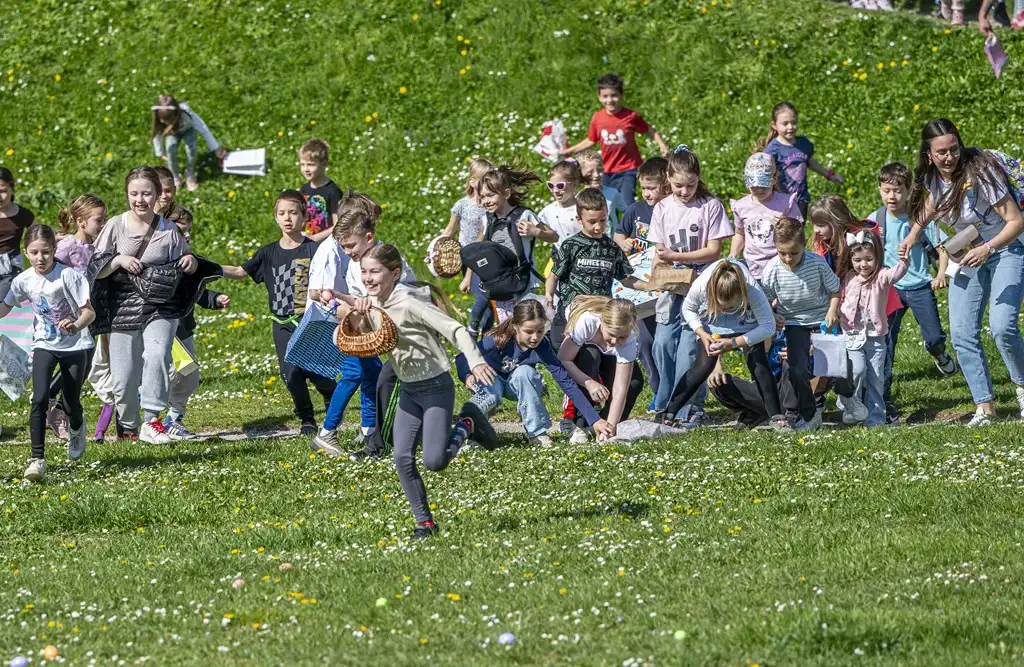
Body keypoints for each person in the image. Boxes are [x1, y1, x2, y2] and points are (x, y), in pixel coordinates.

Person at [348, 243, 495, 538]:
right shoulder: (374, 304)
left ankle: (467, 423)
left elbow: (455, 329)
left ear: (395, 273)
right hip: (409, 390)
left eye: (374, 271)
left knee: (434, 461)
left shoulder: (409, 301)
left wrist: (476, 361)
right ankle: (424, 523)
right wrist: (360, 318)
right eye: (364, 271)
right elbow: (372, 339)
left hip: (436, 387)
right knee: (401, 457)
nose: (367, 277)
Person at [901, 118, 1024, 426]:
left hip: (1004, 248)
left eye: (953, 149)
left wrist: (988, 249)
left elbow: (1016, 221)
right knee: (961, 333)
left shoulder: (980, 172)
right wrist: (914, 232)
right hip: (967, 254)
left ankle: (1022, 387)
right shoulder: (931, 177)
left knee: (1002, 326)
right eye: (941, 152)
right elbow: (932, 202)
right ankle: (985, 408)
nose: (949, 156)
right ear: (929, 154)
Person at [91, 167, 199, 444]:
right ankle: (128, 427)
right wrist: (118, 261)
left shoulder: (170, 229)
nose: (140, 200)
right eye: (134, 194)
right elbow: (94, 268)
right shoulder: (115, 225)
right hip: (123, 305)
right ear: (127, 194)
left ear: (157, 195)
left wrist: (191, 262)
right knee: (124, 378)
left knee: (157, 352)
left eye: (146, 193)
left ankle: (152, 420)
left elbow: (186, 261)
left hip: (160, 304)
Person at [220, 190, 334, 435]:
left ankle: (329, 391)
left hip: (309, 321)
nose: (287, 218)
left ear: (304, 217)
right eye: (282, 213)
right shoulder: (268, 252)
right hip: (282, 322)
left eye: (293, 213)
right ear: (275, 218)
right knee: (290, 372)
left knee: (313, 368)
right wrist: (204, 266)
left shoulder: (313, 250)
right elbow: (240, 271)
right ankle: (306, 418)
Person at [311, 191, 415, 459]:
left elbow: (405, 289)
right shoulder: (355, 263)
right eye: (344, 247)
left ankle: (371, 430)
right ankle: (329, 432)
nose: (347, 253)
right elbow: (349, 297)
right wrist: (344, 304)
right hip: (357, 330)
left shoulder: (385, 258)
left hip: (380, 328)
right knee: (358, 374)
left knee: (372, 374)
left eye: (350, 247)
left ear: (368, 238)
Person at [0, 224, 95, 483]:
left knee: (70, 403)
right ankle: (37, 459)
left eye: (45, 252)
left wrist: (75, 325)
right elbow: (6, 306)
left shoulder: (69, 276)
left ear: (54, 250)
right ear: (26, 252)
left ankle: (76, 424)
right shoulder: (23, 280)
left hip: (76, 346)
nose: (40, 258)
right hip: (44, 344)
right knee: (39, 398)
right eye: (34, 252)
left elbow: (89, 311)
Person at [452, 298, 611, 448]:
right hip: (491, 381)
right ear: (515, 326)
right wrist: (467, 375)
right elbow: (461, 357)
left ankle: (537, 433)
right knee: (490, 395)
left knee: (526, 373)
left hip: (517, 385)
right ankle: (472, 434)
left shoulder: (543, 347)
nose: (535, 337)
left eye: (540, 331)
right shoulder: (497, 340)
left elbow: (567, 383)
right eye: (529, 331)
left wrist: (595, 420)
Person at [649, 146, 733, 428]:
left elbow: (713, 250)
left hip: (699, 285)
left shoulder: (710, 206)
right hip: (671, 285)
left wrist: (676, 257)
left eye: (691, 185)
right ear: (668, 179)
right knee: (662, 343)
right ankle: (665, 400)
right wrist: (662, 266)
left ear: (699, 179)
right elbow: (658, 247)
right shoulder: (662, 207)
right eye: (678, 186)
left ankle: (689, 406)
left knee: (688, 347)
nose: (684, 191)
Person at [872, 163, 956, 425]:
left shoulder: (919, 219)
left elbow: (943, 249)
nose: (892, 197)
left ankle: (938, 352)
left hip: (920, 286)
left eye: (897, 190)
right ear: (879, 190)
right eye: (887, 191)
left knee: (933, 336)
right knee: (886, 345)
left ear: (908, 191)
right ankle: (883, 397)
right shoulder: (876, 220)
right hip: (890, 289)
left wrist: (941, 274)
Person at [657, 259, 786, 431]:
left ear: (742, 294)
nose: (725, 309)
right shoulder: (702, 285)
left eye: (729, 306)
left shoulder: (752, 289)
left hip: (746, 321)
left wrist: (734, 342)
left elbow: (768, 326)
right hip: (712, 319)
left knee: (758, 364)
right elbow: (687, 309)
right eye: (721, 305)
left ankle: (776, 416)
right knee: (702, 367)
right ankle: (669, 413)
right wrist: (701, 333)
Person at [760, 216, 841, 430]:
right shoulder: (771, 270)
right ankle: (809, 414)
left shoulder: (817, 263)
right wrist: (772, 314)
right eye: (782, 252)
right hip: (794, 323)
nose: (788, 258)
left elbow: (835, 290)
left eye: (793, 253)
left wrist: (832, 311)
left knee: (834, 367)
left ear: (803, 245)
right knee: (797, 370)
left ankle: (849, 399)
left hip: (822, 320)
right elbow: (765, 301)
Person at [546, 187, 644, 347]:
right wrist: (549, 295)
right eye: (592, 222)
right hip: (575, 309)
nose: (598, 227)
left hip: (603, 311)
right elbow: (554, 275)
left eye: (603, 220)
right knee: (580, 353)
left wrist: (650, 285)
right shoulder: (571, 245)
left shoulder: (612, 247)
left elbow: (626, 279)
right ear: (579, 220)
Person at [162, 205, 230, 439]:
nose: (188, 235)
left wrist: (214, 299)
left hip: (184, 329)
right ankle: (154, 417)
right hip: (162, 328)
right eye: (182, 231)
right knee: (175, 373)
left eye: (189, 230)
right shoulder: (158, 259)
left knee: (189, 376)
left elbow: (195, 291)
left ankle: (172, 419)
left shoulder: (187, 261)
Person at [54, 195, 112, 442]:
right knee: (73, 366)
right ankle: (52, 404)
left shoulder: (96, 248)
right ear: (81, 221)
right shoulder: (67, 246)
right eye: (99, 220)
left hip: (87, 317)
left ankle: (58, 409)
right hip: (67, 318)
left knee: (84, 366)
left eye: (104, 218)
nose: (103, 224)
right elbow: (50, 274)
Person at [562, 73, 669, 204]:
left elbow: (649, 130)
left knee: (626, 203)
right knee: (606, 203)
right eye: (605, 96)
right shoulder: (597, 118)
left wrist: (662, 144)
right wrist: (570, 151)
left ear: (621, 95)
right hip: (606, 170)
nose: (610, 100)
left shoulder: (630, 116)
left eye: (614, 95)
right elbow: (590, 140)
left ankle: (629, 223)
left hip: (628, 169)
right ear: (599, 97)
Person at [614, 156, 670, 407]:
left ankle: (673, 388)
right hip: (641, 287)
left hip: (665, 283)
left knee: (665, 340)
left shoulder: (671, 209)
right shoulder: (636, 210)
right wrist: (623, 241)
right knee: (646, 342)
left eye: (652, 188)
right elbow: (618, 233)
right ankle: (658, 390)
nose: (647, 194)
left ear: (666, 185)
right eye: (644, 188)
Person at [839, 231, 908, 427]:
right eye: (858, 260)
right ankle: (852, 406)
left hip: (876, 336)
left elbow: (896, 274)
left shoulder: (882, 276)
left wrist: (904, 262)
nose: (863, 264)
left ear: (877, 257)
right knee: (857, 372)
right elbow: (840, 298)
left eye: (869, 259)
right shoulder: (848, 277)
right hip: (852, 333)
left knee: (876, 378)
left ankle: (875, 419)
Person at [557, 297, 644, 443]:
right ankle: (580, 423)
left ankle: (603, 426)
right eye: (611, 334)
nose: (615, 341)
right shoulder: (587, 321)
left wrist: (610, 426)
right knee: (589, 357)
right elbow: (564, 359)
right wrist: (589, 383)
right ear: (602, 322)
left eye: (621, 337)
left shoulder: (629, 339)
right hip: (573, 348)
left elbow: (620, 389)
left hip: (604, 352)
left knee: (634, 382)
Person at [478, 164, 556, 322]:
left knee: (526, 324)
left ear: (506, 193)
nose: (486, 201)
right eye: (482, 196)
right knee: (508, 328)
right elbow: (479, 247)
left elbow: (553, 236)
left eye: (490, 195)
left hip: (524, 282)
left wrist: (535, 232)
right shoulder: (487, 219)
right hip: (500, 284)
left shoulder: (524, 214)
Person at [756, 102, 844, 217]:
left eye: (794, 122)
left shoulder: (803, 144)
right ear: (774, 125)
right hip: (780, 202)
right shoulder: (772, 150)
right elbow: (764, 175)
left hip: (801, 200)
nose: (790, 127)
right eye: (785, 123)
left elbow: (810, 162)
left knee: (798, 233)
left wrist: (830, 174)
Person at [728, 152, 802, 282]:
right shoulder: (741, 206)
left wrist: (787, 224)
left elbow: (798, 233)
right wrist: (733, 253)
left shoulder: (785, 204)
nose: (758, 190)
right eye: (754, 185)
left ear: (774, 179)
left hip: (782, 267)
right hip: (753, 269)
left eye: (763, 185)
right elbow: (740, 233)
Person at [446, 158, 495, 338]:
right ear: (473, 182)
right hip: (468, 258)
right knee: (484, 295)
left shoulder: (490, 205)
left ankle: (487, 336)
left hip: (487, 257)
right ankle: (473, 327)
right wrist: (435, 250)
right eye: (484, 180)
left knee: (489, 298)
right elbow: (449, 231)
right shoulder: (462, 205)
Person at [150, 95, 227, 192]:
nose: (162, 122)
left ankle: (190, 173)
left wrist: (217, 148)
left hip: (188, 130)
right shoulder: (162, 119)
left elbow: (204, 129)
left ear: (176, 114)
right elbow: (157, 133)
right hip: (172, 133)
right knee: (170, 149)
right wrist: (160, 153)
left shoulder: (188, 115)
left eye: (166, 120)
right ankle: (174, 176)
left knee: (191, 148)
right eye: (161, 119)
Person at [0, 166, 35, 302]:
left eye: (3, 191)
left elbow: (40, 235)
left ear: (12, 189)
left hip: (10, 267)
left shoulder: (22, 215)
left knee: (4, 302)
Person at [299, 139, 344, 242]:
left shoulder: (333, 191)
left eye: (310, 164)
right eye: (302, 164)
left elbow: (339, 225)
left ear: (324, 164)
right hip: (308, 243)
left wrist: (316, 238)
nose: (306, 169)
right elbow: (302, 217)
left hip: (328, 244)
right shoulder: (304, 189)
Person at [577, 150, 628, 233]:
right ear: (580, 174)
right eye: (590, 172)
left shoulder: (612, 193)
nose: (596, 175)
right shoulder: (578, 198)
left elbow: (627, 212)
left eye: (599, 170)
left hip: (613, 242)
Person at [538, 159, 583, 248]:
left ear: (574, 184)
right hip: (560, 259)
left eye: (560, 186)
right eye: (551, 185)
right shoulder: (547, 211)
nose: (555, 191)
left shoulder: (583, 208)